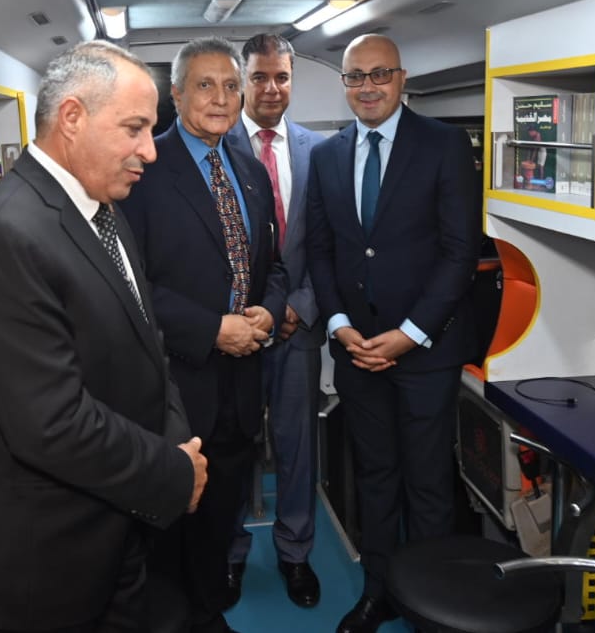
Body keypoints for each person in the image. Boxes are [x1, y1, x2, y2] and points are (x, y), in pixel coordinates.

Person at [0, 40, 208, 633]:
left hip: (117, 529)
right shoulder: (3, 232)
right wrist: (170, 473)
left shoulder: (102, 208)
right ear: (71, 118)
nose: (150, 151)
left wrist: (177, 446)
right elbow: (51, 423)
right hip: (43, 565)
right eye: (134, 129)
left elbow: (149, 345)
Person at [305, 34, 481, 633]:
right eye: (355, 76)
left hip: (426, 351)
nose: (367, 87)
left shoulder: (444, 145)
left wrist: (411, 333)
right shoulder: (327, 155)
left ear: (403, 79)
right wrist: (339, 324)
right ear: (344, 84)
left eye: (380, 74)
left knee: (428, 483)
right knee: (375, 478)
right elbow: (322, 250)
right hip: (357, 351)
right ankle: (378, 591)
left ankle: (429, 606)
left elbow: (459, 253)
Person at [121, 36, 288, 633]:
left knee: (220, 518)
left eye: (231, 86)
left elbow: (272, 266)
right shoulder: (142, 169)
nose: (220, 98)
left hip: (240, 390)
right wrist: (211, 329)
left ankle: (209, 613)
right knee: (171, 529)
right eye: (205, 85)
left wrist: (269, 311)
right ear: (175, 93)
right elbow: (129, 282)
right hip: (174, 388)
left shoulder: (250, 170)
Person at [224, 34, 325, 610]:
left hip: (298, 328)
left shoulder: (318, 151)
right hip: (236, 330)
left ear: (292, 80)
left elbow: (327, 244)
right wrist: (248, 313)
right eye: (259, 77)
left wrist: (298, 306)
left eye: (281, 77)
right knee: (235, 446)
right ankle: (232, 554)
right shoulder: (216, 147)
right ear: (244, 81)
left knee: (297, 446)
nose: (270, 88)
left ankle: (295, 553)